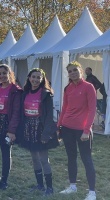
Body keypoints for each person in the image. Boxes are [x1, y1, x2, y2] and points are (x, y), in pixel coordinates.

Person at [58, 61, 97, 200]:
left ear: (80, 70)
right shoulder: (67, 88)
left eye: (75, 70)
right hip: (67, 128)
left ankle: (92, 192)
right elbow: (64, 108)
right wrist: (59, 126)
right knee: (71, 158)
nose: (72, 72)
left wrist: (87, 130)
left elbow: (92, 109)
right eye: (70, 71)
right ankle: (72, 186)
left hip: (82, 130)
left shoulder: (89, 87)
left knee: (86, 159)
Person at [17, 68, 59, 196]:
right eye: (33, 77)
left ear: (42, 80)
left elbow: (48, 117)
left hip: (40, 130)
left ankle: (50, 188)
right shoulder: (25, 93)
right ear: (29, 78)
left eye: (38, 77)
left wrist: (46, 134)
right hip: (29, 129)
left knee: (43, 159)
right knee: (34, 158)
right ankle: (40, 185)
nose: (35, 80)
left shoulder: (46, 94)